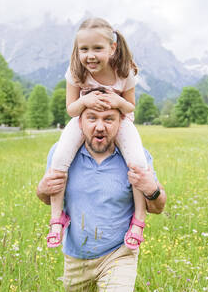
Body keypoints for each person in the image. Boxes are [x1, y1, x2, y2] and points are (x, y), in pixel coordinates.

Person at [37, 107, 166, 292]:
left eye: (108, 119)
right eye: (92, 118)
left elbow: (158, 207)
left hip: (119, 253)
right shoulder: (62, 153)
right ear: (80, 122)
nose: (100, 126)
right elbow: (46, 197)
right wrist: (42, 189)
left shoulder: (136, 156)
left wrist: (152, 189)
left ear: (120, 123)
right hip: (76, 255)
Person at [46, 17, 149, 250]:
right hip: (84, 117)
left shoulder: (124, 71)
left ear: (112, 48)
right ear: (77, 50)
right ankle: (56, 219)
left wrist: (116, 100)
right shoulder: (75, 71)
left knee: (138, 163)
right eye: (84, 49)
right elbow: (71, 109)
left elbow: (130, 107)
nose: (90, 56)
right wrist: (86, 100)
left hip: (119, 121)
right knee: (59, 158)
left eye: (97, 49)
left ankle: (138, 221)